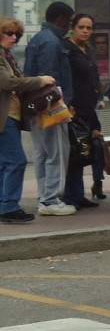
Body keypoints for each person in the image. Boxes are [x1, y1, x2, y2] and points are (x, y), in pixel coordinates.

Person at [1, 17, 58, 224]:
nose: (14, 38)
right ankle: (9, 207)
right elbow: (7, 82)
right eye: (9, 33)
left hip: (12, 116)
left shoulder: (7, 56)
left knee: (5, 163)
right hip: (5, 117)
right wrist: (39, 81)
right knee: (16, 161)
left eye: (17, 35)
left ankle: (5, 205)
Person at [23, 1, 76, 217]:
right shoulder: (52, 42)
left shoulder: (38, 39)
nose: (70, 26)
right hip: (51, 106)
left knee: (42, 154)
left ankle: (44, 197)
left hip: (33, 106)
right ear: (61, 19)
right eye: (69, 21)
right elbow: (51, 78)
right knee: (57, 153)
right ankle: (52, 199)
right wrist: (63, 106)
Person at [62, 13, 102, 208]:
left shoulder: (88, 50)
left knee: (82, 153)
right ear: (73, 28)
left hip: (87, 109)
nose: (85, 31)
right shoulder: (67, 49)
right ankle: (69, 195)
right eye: (81, 27)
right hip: (72, 109)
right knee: (73, 154)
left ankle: (78, 194)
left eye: (89, 28)